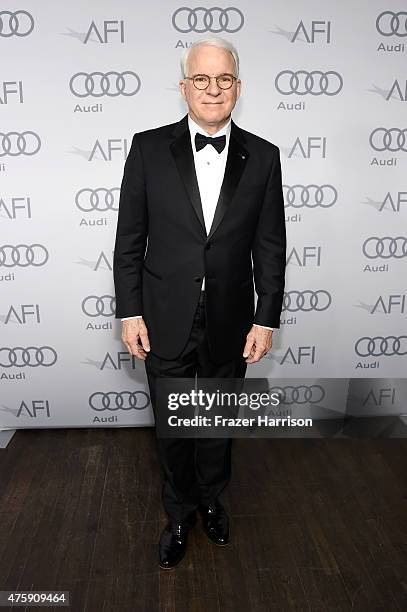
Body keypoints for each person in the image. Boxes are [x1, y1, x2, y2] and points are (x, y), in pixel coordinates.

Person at [113, 38, 286, 569]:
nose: (214, 89)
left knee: (216, 422)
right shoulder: (147, 148)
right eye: (202, 80)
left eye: (225, 79)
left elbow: (270, 245)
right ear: (185, 86)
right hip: (164, 316)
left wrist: (265, 317)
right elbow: (129, 241)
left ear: (239, 87)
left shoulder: (264, 156)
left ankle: (212, 500)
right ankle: (179, 513)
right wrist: (129, 311)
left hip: (231, 321)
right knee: (172, 427)